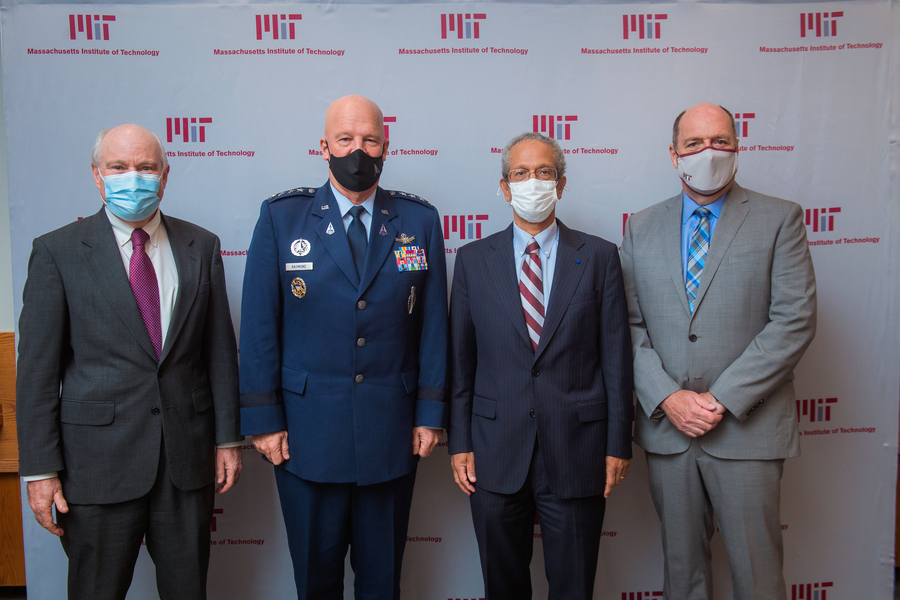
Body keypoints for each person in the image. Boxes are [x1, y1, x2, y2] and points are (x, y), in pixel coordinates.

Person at [16, 123, 242, 600]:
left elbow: (219, 353)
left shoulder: (201, 246)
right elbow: (37, 374)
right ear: (97, 177)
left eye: (145, 167)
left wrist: (227, 438)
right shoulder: (56, 252)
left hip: (186, 459)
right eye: (118, 168)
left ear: (164, 175)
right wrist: (40, 471)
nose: (132, 178)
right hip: (96, 466)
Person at [239, 94, 448, 599]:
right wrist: (264, 420)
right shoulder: (281, 218)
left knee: (381, 585)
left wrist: (430, 412)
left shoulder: (418, 220)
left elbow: (435, 325)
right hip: (306, 438)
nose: (359, 150)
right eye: (346, 139)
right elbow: (259, 327)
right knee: (317, 582)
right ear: (324, 147)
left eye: (370, 139)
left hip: (391, 433)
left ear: (386, 145)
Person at [621, 103, 817, 599]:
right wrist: (667, 397)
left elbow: (793, 320)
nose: (708, 152)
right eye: (694, 143)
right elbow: (625, 325)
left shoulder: (780, 219)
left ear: (737, 147)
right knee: (682, 576)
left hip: (747, 429)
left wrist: (721, 398)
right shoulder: (641, 227)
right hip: (670, 433)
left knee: (758, 575)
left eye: (720, 141)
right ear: (674, 155)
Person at [448, 132, 633, 600]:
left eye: (544, 172)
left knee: (573, 587)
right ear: (505, 187)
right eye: (521, 174)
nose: (534, 182)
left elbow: (616, 358)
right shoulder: (472, 261)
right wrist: (460, 442)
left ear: (562, 184)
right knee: (502, 587)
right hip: (493, 452)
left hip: (578, 450)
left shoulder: (600, 257)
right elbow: (461, 363)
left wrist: (618, 444)